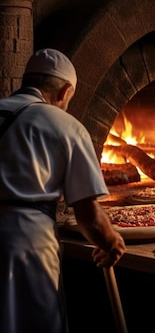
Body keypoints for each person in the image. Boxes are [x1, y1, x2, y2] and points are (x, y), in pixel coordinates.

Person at [0, 48, 126, 333]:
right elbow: (88, 215)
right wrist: (110, 242)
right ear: (66, 90)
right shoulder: (66, 126)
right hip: (26, 245)